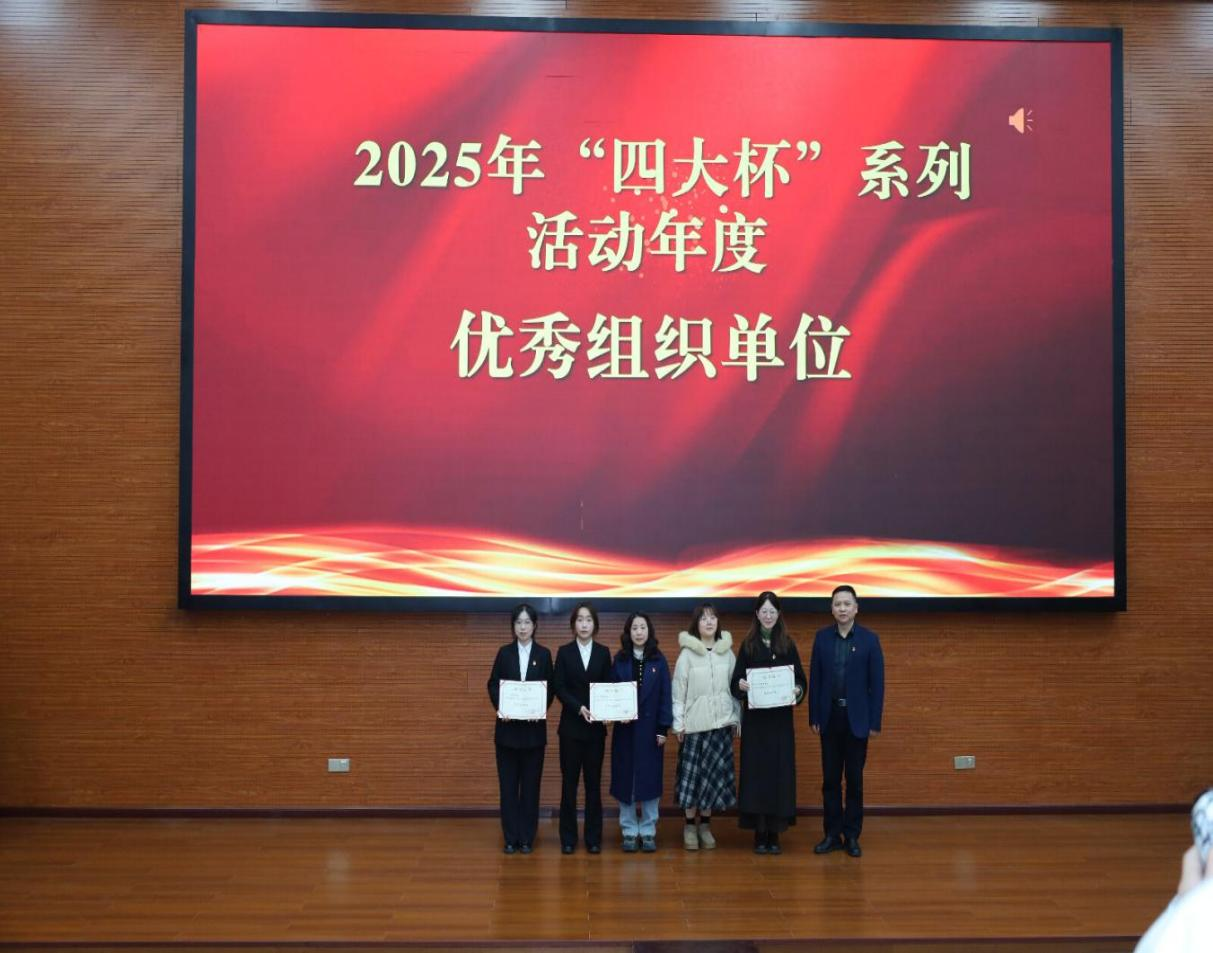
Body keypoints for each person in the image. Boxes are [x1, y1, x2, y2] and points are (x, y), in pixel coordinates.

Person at [808, 584, 884, 858]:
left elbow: (877, 684)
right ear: (831, 608)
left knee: (854, 780)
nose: (842, 608)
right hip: (829, 719)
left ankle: (851, 835)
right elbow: (815, 680)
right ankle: (832, 834)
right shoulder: (821, 638)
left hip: (857, 721)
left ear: (856, 608)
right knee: (830, 780)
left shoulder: (869, 640)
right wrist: (814, 716)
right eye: (837, 604)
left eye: (847, 604)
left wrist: (874, 722)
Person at [730, 591, 806, 854]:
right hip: (756, 725)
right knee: (757, 776)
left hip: (780, 724)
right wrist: (740, 685)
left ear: (779, 614)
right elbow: (735, 682)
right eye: (764, 611)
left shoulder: (788, 644)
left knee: (779, 776)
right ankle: (759, 833)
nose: (768, 616)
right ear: (757, 614)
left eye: (773, 611)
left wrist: (798, 690)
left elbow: (801, 680)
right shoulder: (748, 645)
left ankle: (775, 833)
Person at [486, 603, 554, 854]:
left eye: (527, 622)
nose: (523, 627)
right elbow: (493, 684)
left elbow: (550, 688)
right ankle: (510, 837)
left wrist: (539, 708)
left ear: (534, 626)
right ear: (513, 626)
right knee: (508, 788)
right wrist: (502, 706)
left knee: (530, 788)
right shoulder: (504, 653)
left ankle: (527, 837)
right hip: (507, 734)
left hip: (534, 735)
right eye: (518, 623)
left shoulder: (544, 654)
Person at [672, 602, 740, 850]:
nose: (709, 622)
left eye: (713, 618)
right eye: (703, 618)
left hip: (720, 725)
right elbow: (678, 691)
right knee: (692, 781)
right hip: (694, 726)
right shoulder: (687, 654)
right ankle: (690, 826)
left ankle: (706, 826)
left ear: (718, 622)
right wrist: (678, 723)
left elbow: (735, 690)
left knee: (712, 780)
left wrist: (736, 718)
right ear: (696, 624)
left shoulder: (727, 653)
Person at [552, 601, 613, 854]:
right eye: (580, 620)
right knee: (569, 785)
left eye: (588, 620)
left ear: (595, 625)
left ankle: (593, 838)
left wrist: (608, 712)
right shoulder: (564, 652)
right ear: (573, 624)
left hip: (596, 731)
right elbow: (559, 687)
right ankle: (568, 838)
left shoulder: (603, 652)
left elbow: (608, 687)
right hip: (570, 730)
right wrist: (579, 708)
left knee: (593, 785)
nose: (584, 624)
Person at [609, 611, 672, 853]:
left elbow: (665, 695)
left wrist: (663, 728)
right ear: (628, 632)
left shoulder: (659, 660)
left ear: (649, 631)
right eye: (634, 628)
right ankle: (628, 830)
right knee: (625, 779)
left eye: (642, 627)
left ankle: (647, 830)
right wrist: (615, 713)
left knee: (650, 780)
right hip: (625, 730)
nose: (638, 632)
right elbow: (611, 693)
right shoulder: (620, 659)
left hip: (650, 731)